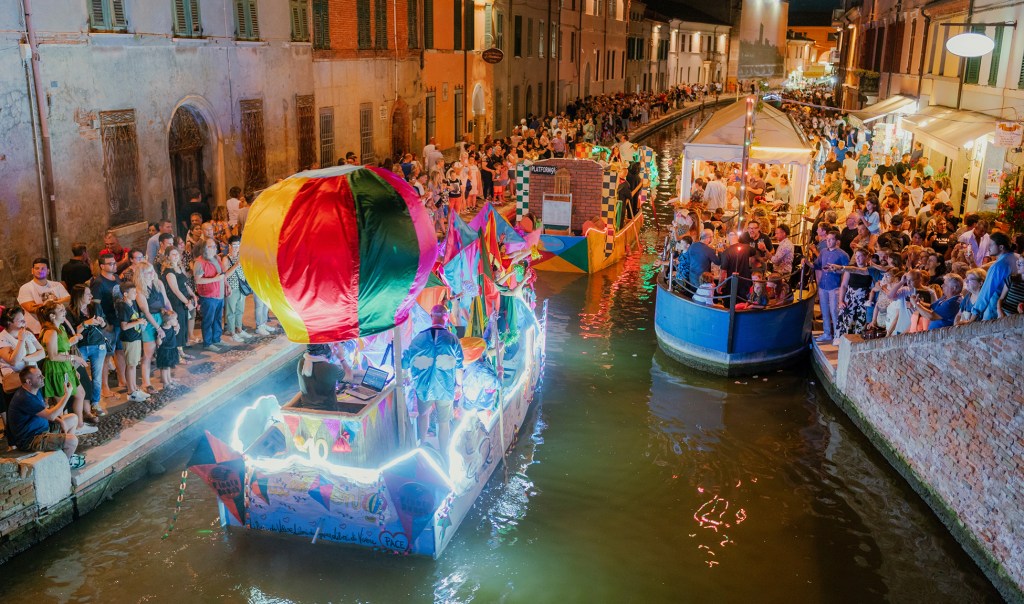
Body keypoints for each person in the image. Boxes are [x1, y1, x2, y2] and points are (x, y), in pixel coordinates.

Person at [403, 305, 464, 459]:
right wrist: (459, 385)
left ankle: (422, 446)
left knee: (423, 415)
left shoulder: (418, 338)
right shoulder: (452, 339)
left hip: (424, 387)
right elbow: (459, 367)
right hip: (445, 387)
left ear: (431, 317)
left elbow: (405, 363)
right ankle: (444, 453)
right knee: (444, 422)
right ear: (446, 317)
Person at [36, 301, 97, 431]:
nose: (65, 313)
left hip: (66, 366)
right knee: (61, 403)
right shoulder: (50, 332)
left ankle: (79, 425)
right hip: (56, 369)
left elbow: (64, 348)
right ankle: (66, 431)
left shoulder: (61, 328)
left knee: (80, 393)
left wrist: (72, 368)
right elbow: (52, 356)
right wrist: (74, 358)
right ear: (52, 316)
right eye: (61, 311)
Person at [6, 367, 84, 467]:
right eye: (39, 376)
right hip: (31, 440)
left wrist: (60, 421)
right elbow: (50, 415)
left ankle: (66, 456)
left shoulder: (35, 390)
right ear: (29, 381)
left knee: (73, 418)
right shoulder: (24, 398)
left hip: (43, 428)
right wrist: (66, 395)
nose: (43, 377)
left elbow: (46, 412)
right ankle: (63, 465)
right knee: (72, 440)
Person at [0, 307, 47, 441]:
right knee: (16, 413)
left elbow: (42, 352)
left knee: (37, 408)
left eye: (23, 318)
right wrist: (21, 340)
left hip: (33, 377)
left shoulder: (27, 333)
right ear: (9, 322)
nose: (23, 321)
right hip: (16, 381)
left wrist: (26, 358)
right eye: (20, 319)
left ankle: (38, 435)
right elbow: (13, 360)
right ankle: (14, 443)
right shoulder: (3, 338)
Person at [67, 284, 108, 417]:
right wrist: (86, 323)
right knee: (80, 376)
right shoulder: (70, 312)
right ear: (79, 297)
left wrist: (102, 323)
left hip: (98, 345)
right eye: (88, 294)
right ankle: (81, 405)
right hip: (81, 347)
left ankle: (95, 403)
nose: (91, 296)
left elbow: (104, 325)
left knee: (96, 377)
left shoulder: (94, 307)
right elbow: (73, 332)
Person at [134, 262, 171, 394]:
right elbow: (146, 312)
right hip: (149, 322)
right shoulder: (139, 291)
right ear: (141, 275)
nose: (152, 274)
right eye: (148, 272)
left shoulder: (158, 283)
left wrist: (173, 318)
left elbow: (166, 301)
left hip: (161, 317)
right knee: (148, 354)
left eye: (152, 271)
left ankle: (166, 379)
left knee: (164, 350)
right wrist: (158, 328)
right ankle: (146, 383)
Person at [193, 237, 233, 350]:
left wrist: (226, 285)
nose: (215, 248)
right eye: (212, 246)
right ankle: (208, 343)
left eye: (215, 246)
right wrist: (215, 279)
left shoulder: (217, 258)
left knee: (218, 318)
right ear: (205, 248)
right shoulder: (199, 263)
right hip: (208, 296)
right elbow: (198, 280)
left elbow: (222, 274)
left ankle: (217, 339)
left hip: (219, 294)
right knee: (208, 320)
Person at [813, 229, 850, 342]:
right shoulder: (823, 252)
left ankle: (837, 335)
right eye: (827, 239)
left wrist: (835, 270)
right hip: (823, 285)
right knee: (824, 310)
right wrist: (807, 263)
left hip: (835, 286)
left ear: (837, 241)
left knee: (834, 311)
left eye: (831, 239)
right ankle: (827, 333)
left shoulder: (843, 255)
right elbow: (817, 265)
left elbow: (846, 272)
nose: (828, 241)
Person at [161, 248, 197, 360]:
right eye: (173, 254)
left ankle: (181, 352)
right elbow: (176, 290)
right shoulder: (169, 272)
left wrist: (193, 295)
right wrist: (187, 302)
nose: (176, 256)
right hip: (176, 302)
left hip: (184, 300)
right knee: (178, 326)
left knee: (183, 326)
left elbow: (185, 284)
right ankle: (177, 354)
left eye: (177, 254)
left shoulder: (179, 268)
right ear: (167, 256)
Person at [117, 280, 150, 402]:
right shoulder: (123, 306)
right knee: (131, 365)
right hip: (129, 339)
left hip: (135, 337)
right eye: (133, 292)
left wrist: (140, 321)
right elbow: (124, 326)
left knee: (134, 364)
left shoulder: (132, 304)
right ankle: (131, 392)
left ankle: (135, 388)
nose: (136, 294)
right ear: (125, 294)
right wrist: (139, 322)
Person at [970, 233, 1015, 321]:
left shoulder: (998, 266)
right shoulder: (1019, 258)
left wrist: (973, 317)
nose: (988, 248)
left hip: (998, 311)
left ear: (1001, 247)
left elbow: (986, 292)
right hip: (1015, 309)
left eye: (991, 245)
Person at [18, 258, 70, 335]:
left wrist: (48, 304)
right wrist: (58, 303)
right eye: (37, 268)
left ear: (48, 271)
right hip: (36, 331)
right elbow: (32, 308)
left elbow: (68, 301)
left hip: (58, 329)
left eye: (43, 268)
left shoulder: (57, 285)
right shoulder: (25, 288)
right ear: (32, 271)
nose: (40, 271)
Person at [833, 247, 874, 341]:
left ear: (865, 257)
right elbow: (843, 285)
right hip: (850, 298)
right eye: (856, 256)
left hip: (863, 299)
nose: (857, 258)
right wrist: (840, 301)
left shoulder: (869, 270)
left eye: (860, 256)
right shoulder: (850, 269)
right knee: (848, 321)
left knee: (860, 322)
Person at [222, 236, 252, 343]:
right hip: (231, 288)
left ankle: (239, 329)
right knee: (231, 312)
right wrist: (236, 265)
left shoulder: (241, 256)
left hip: (241, 288)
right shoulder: (226, 258)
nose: (236, 247)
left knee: (240, 310)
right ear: (229, 246)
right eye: (234, 245)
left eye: (238, 245)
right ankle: (232, 332)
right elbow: (225, 275)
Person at [156, 310, 182, 388]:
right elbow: (159, 343)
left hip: (171, 349)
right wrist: (158, 338)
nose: (177, 320)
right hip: (165, 351)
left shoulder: (171, 328)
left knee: (169, 366)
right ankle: (165, 383)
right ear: (168, 322)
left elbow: (175, 333)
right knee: (164, 368)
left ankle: (169, 380)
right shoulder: (163, 331)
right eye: (174, 319)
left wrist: (177, 328)